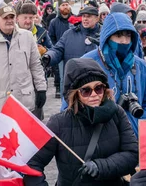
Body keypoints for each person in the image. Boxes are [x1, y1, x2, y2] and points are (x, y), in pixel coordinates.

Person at [24, 58, 139, 186]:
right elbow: (33, 164)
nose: (94, 94)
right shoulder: (58, 123)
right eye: (86, 91)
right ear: (75, 94)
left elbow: (132, 154)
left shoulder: (117, 113)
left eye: (99, 88)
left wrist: (100, 166)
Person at [0, 4, 47, 130]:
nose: (9, 20)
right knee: (1, 146)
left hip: (23, 101)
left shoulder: (27, 37)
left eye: (12, 17)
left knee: (24, 146)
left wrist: (41, 89)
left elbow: (35, 66)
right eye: (5, 17)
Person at [81, 12, 146, 136]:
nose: (124, 41)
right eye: (118, 36)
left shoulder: (141, 66)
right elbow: (71, 103)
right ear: (107, 37)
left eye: (128, 36)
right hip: (100, 138)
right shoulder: (87, 63)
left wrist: (142, 125)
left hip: (134, 137)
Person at [43, 6, 101, 81]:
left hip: (97, 83)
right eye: (83, 16)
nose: (85, 19)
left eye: (89, 16)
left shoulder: (104, 34)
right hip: (74, 81)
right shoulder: (69, 34)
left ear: (97, 19)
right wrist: (49, 56)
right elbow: (57, 50)